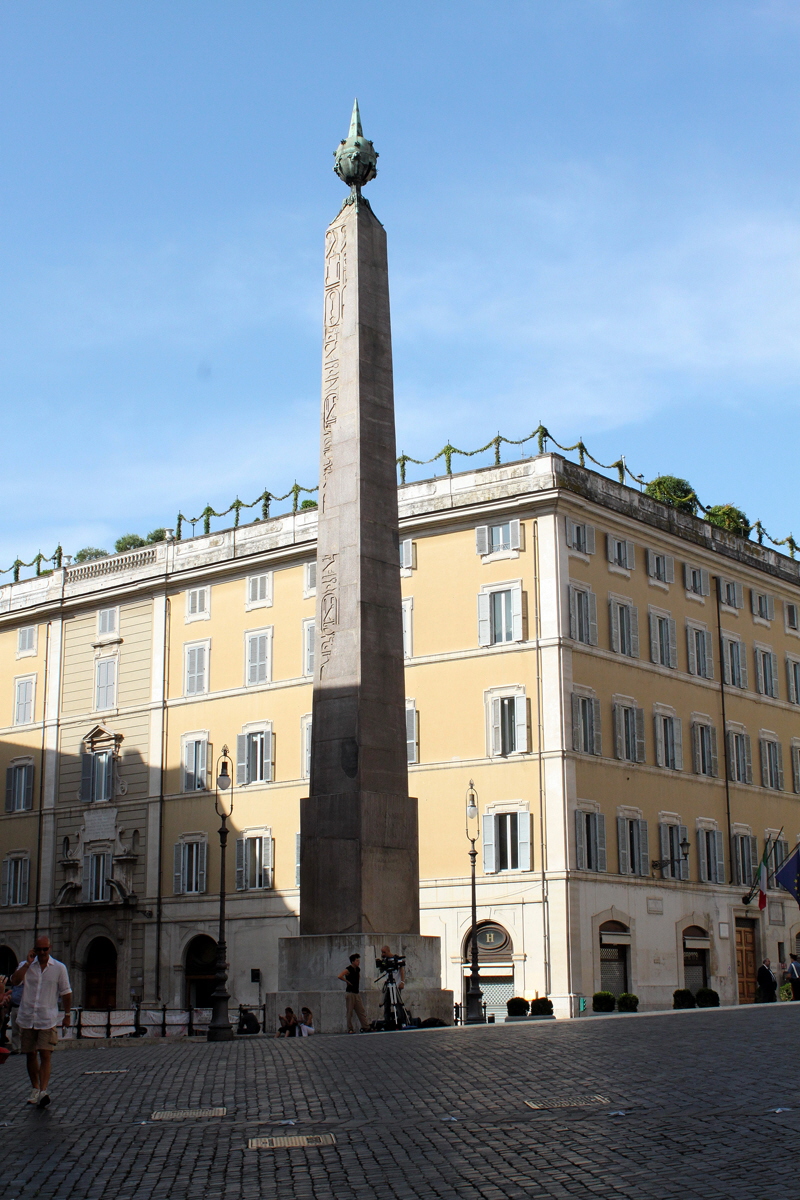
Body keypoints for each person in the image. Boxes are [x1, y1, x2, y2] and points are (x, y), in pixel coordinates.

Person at [11, 936, 72, 1108]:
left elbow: (66, 992)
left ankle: (44, 1090)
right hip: (28, 1016)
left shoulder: (59, 968)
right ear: (34, 950)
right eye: (39, 950)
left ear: (50, 948)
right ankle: (35, 1088)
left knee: (45, 1054)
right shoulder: (26, 966)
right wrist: (27, 964)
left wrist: (67, 1014)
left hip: (47, 1016)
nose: (42, 953)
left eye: (45, 949)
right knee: (30, 1054)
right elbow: (15, 981)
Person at [337, 953, 370, 1033]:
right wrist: (347, 981)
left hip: (356, 992)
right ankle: (350, 1028)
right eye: (357, 961)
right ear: (352, 961)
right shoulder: (348, 969)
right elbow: (340, 976)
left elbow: (358, 977)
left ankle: (365, 1026)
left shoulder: (357, 969)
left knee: (361, 1010)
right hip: (350, 993)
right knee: (350, 1011)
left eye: (358, 960)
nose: (358, 962)